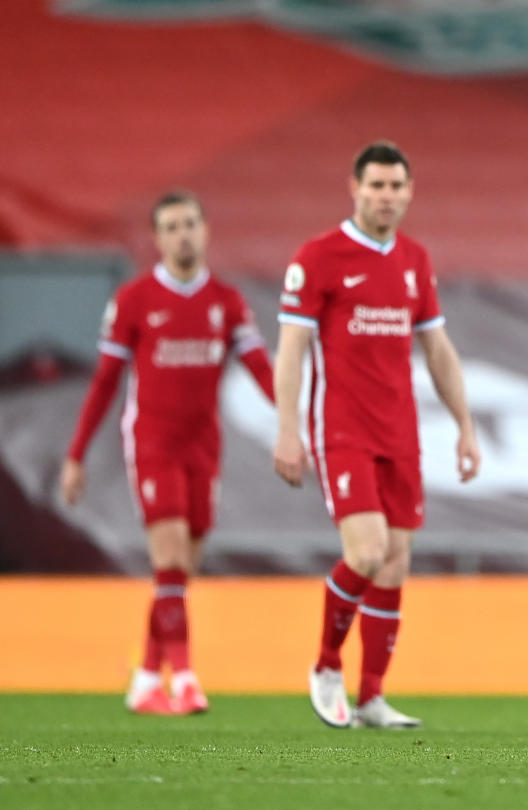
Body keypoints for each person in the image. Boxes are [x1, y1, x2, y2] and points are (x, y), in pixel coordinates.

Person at [272, 141, 480, 729]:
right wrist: (287, 429)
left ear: (410, 191)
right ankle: (325, 666)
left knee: (393, 565)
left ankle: (370, 698)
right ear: (354, 188)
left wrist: (465, 426)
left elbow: (437, 349)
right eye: (376, 185)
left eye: (396, 186)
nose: (387, 196)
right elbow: (290, 349)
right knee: (365, 552)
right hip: (342, 428)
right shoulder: (318, 257)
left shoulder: (414, 259)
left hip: (401, 432)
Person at [61, 191, 275, 715]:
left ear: (205, 231)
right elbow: (106, 382)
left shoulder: (227, 302)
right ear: (157, 239)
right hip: (153, 443)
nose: (183, 234)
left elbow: (261, 368)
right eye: (172, 227)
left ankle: (144, 680)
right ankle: (184, 678)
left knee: (179, 573)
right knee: (172, 559)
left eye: (190, 224)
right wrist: (76, 454)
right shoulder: (134, 300)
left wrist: (293, 425)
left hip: (204, 445)